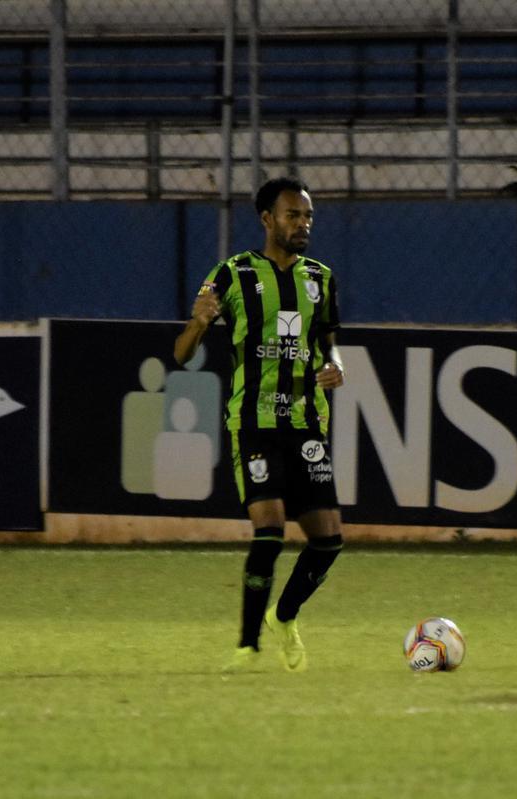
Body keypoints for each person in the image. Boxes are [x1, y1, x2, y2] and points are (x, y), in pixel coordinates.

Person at [175, 176, 345, 673]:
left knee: (329, 541)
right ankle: (247, 646)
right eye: (293, 215)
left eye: (308, 216)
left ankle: (284, 616)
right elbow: (182, 353)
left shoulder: (321, 278)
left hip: (307, 422)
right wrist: (199, 322)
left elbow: (328, 340)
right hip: (254, 423)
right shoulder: (231, 275)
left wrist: (337, 364)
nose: (303, 224)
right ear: (267, 220)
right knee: (269, 532)